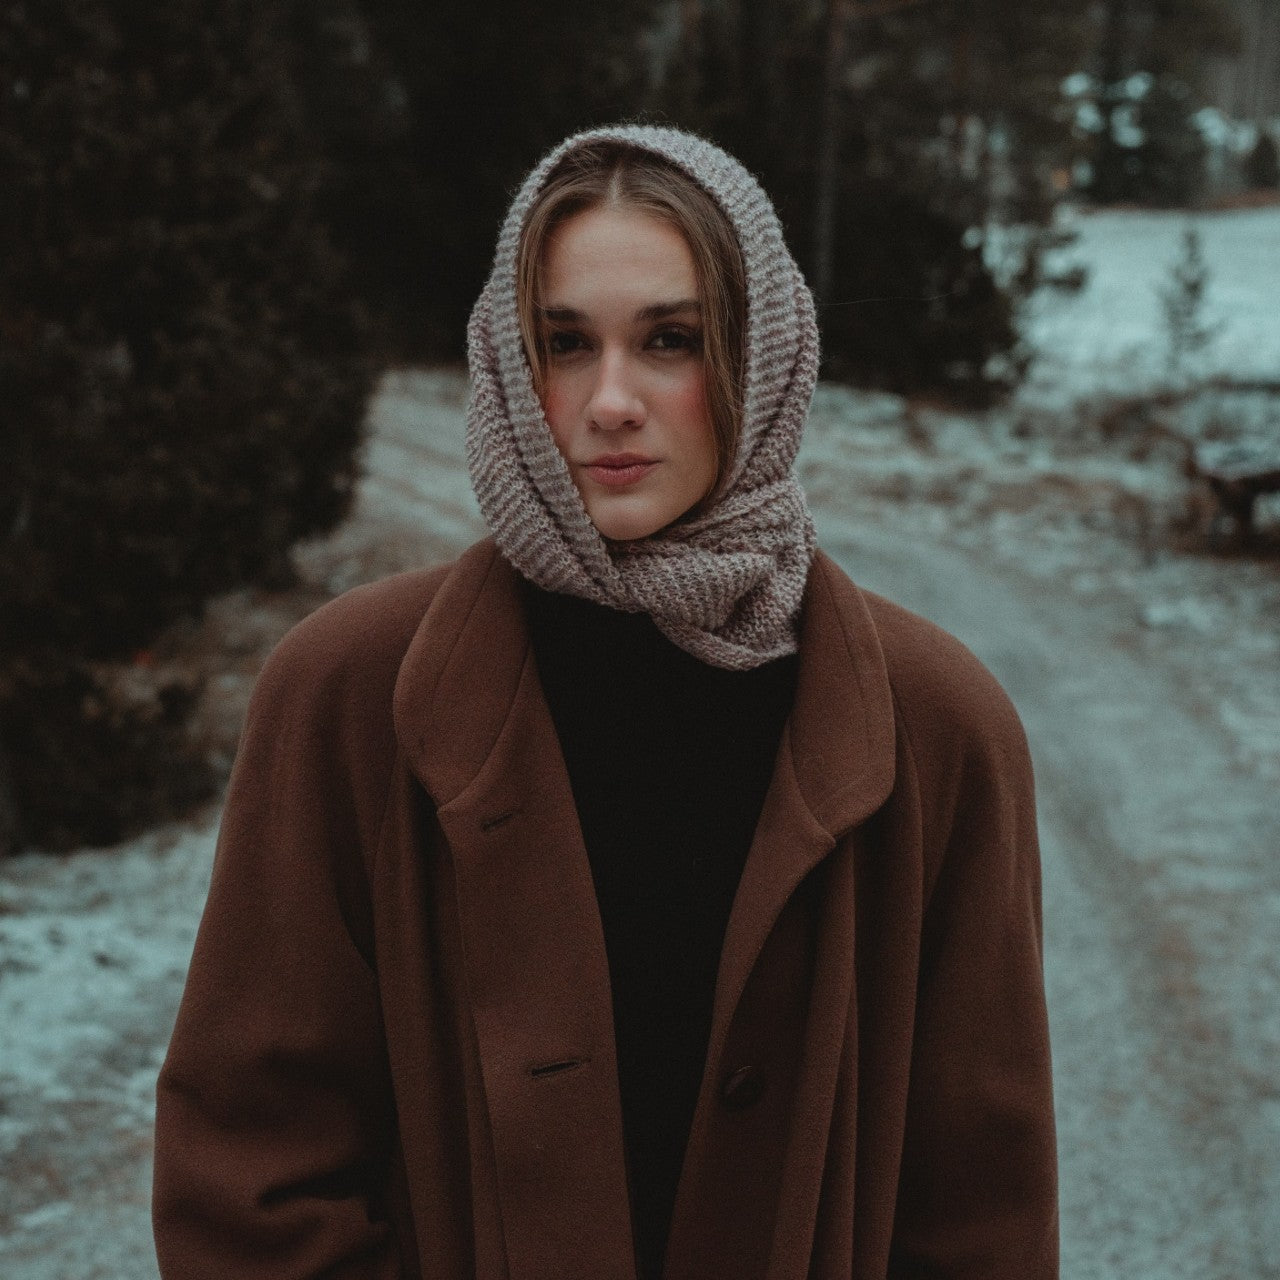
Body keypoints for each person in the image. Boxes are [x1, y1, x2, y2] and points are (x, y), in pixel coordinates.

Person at [153, 125, 1058, 1279]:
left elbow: (980, 1211)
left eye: (670, 339)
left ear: (761, 355)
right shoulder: (346, 692)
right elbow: (248, 1171)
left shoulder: (940, 726)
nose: (611, 400)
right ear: (507, 368)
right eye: (564, 343)